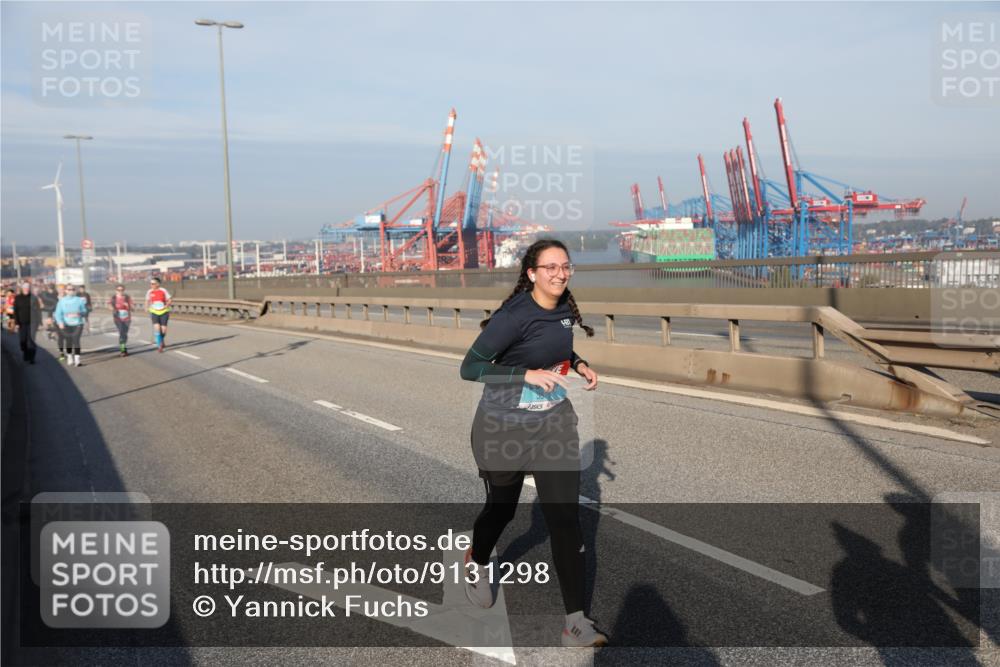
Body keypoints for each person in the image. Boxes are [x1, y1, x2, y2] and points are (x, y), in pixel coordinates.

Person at [458, 239, 606, 648]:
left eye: (566, 266)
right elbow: (469, 368)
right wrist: (524, 375)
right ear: (532, 273)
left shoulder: (562, 308)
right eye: (551, 267)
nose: (560, 273)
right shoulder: (513, 315)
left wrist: (578, 364)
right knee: (501, 510)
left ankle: (575, 623)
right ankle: (478, 559)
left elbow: (554, 345)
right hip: (503, 427)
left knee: (565, 520)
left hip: (552, 424)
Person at [53, 285, 89, 367]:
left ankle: (77, 360)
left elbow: (84, 311)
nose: (71, 291)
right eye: (69, 289)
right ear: (66, 291)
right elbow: (58, 314)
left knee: (76, 340)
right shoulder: (62, 301)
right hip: (66, 324)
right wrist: (60, 322)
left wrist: (81, 312)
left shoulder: (79, 300)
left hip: (78, 324)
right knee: (68, 341)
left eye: (73, 289)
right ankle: (69, 356)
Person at [11, 282, 42, 364]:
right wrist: (16, 322)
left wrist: (39, 322)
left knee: (31, 341)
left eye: (28, 288)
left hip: (33, 322)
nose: (26, 289)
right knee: (23, 341)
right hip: (21, 323)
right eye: (25, 288)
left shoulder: (33, 298)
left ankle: (32, 358)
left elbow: (38, 310)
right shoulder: (18, 298)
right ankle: (25, 352)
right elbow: (15, 311)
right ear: (22, 289)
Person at [145, 277, 172, 352]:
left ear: (158, 284)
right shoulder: (149, 292)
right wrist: (146, 307)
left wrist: (167, 305)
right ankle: (159, 345)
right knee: (157, 327)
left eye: (153, 284)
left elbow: (169, 299)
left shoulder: (163, 290)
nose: (151, 285)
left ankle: (161, 339)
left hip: (164, 311)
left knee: (163, 330)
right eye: (150, 284)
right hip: (154, 311)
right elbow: (147, 300)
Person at [109, 284, 134, 356]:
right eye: (118, 290)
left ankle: (124, 346)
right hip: (118, 319)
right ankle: (122, 350)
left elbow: (133, 309)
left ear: (124, 290)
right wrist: (114, 309)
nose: (120, 291)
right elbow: (109, 305)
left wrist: (128, 306)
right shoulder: (113, 298)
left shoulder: (127, 298)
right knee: (121, 333)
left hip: (127, 319)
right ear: (116, 291)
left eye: (122, 290)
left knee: (125, 334)